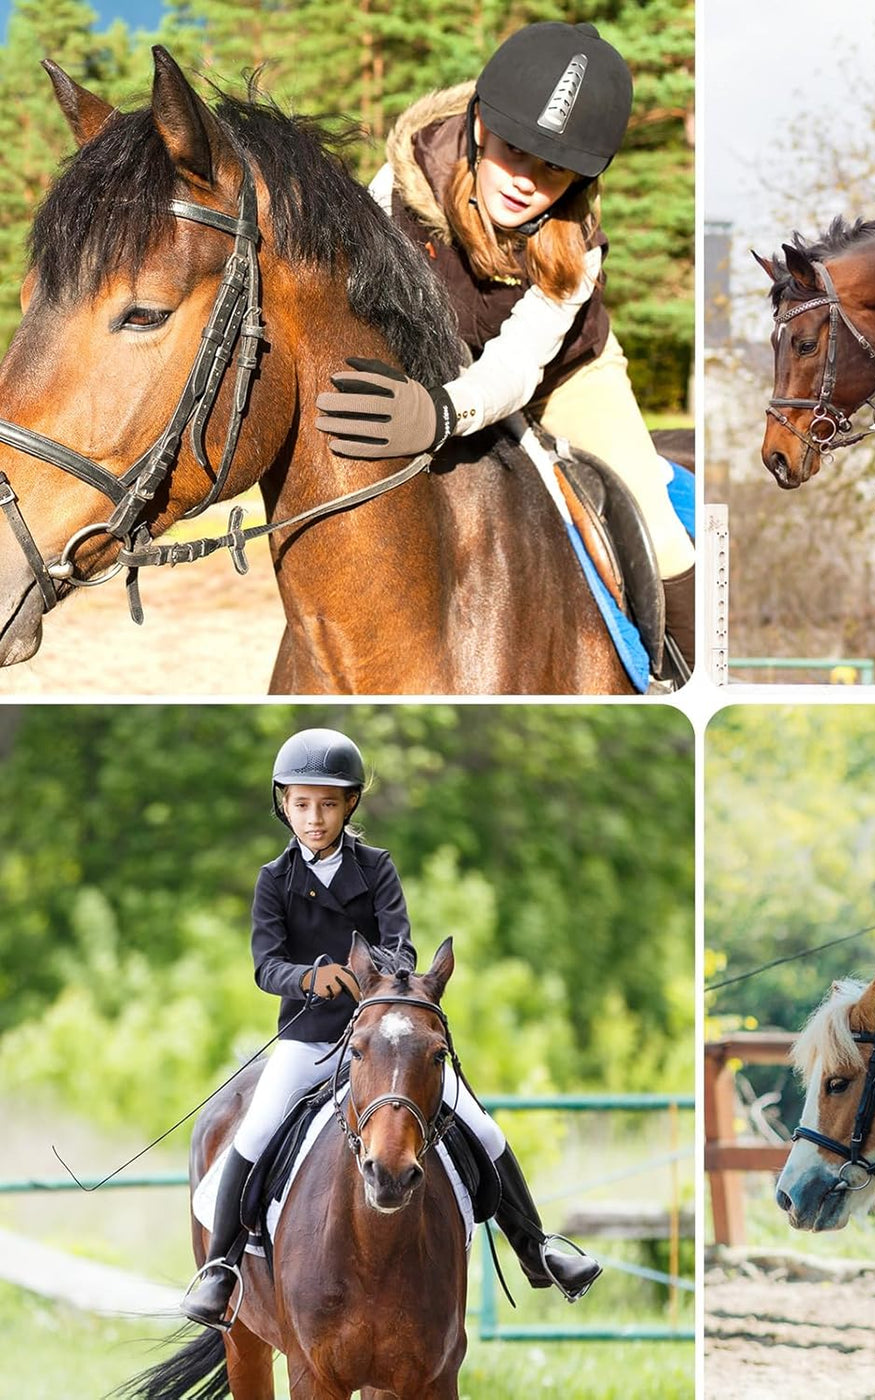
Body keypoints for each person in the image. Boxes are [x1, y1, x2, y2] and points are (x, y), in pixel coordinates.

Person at [182, 726, 601, 1330]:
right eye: (301, 804)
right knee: (254, 1133)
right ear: (284, 805)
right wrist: (309, 978)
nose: (314, 818)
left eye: (327, 804)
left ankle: (537, 1248)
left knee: (480, 1126)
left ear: (350, 803)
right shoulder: (274, 879)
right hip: (310, 1039)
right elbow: (265, 965)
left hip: (382, 1038)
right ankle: (220, 1270)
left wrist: (380, 976)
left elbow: (400, 941)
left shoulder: (376, 867)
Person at [313, 21, 695, 669]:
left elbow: (516, 369)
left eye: (554, 171)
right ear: (480, 126)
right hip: (440, 366)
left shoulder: (580, 247)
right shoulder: (394, 194)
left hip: (565, 377)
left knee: (660, 535)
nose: (525, 182)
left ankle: (684, 673)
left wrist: (439, 414)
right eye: (515, 151)